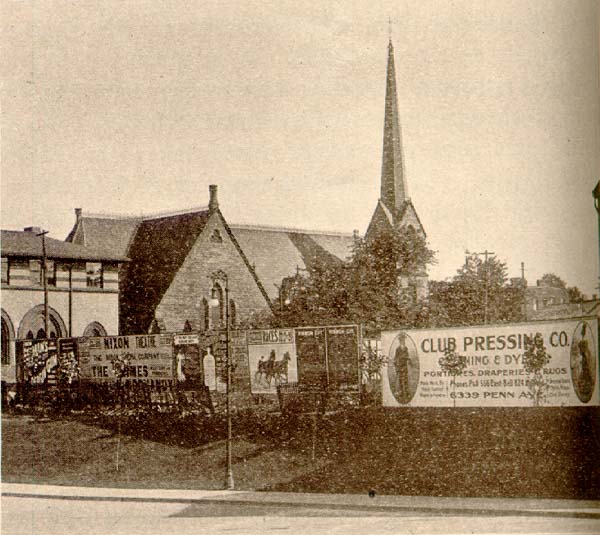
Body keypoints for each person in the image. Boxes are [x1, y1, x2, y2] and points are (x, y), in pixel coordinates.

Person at [394, 333, 412, 403]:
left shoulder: (406, 348)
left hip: (404, 366)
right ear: (400, 341)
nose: (403, 341)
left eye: (403, 340)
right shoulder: (398, 349)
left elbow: (407, 355)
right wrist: (396, 364)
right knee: (401, 380)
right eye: (401, 340)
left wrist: (408, 359)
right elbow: (396, 357)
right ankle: (401, 393)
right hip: (399, 366)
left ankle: (407, 393)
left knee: (406, 379)